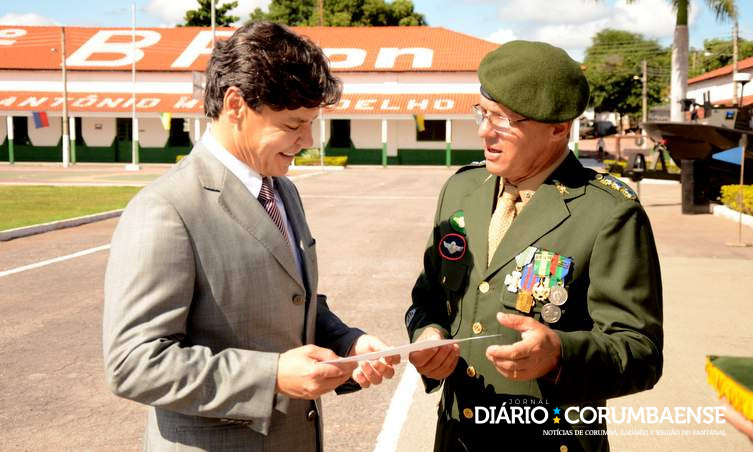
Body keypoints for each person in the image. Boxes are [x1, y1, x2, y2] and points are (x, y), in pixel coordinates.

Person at [103, 22, 397, 451]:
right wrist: (271, 375)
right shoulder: (167, 208)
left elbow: (289, 300)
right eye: (294, 123)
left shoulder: (283, 190)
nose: (307, 139)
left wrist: (347, 342)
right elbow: (133, 363)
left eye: (312, 122)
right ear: (236, 104)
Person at [406, 40, 663, 451]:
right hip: (457, 436)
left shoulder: (608, 212)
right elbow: (430, 296)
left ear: (559, 128)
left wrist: (561, 354)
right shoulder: (461, 189)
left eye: (503, 120)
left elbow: (641, 352)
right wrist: (427, 333)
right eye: (482, 113)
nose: (484, 131)